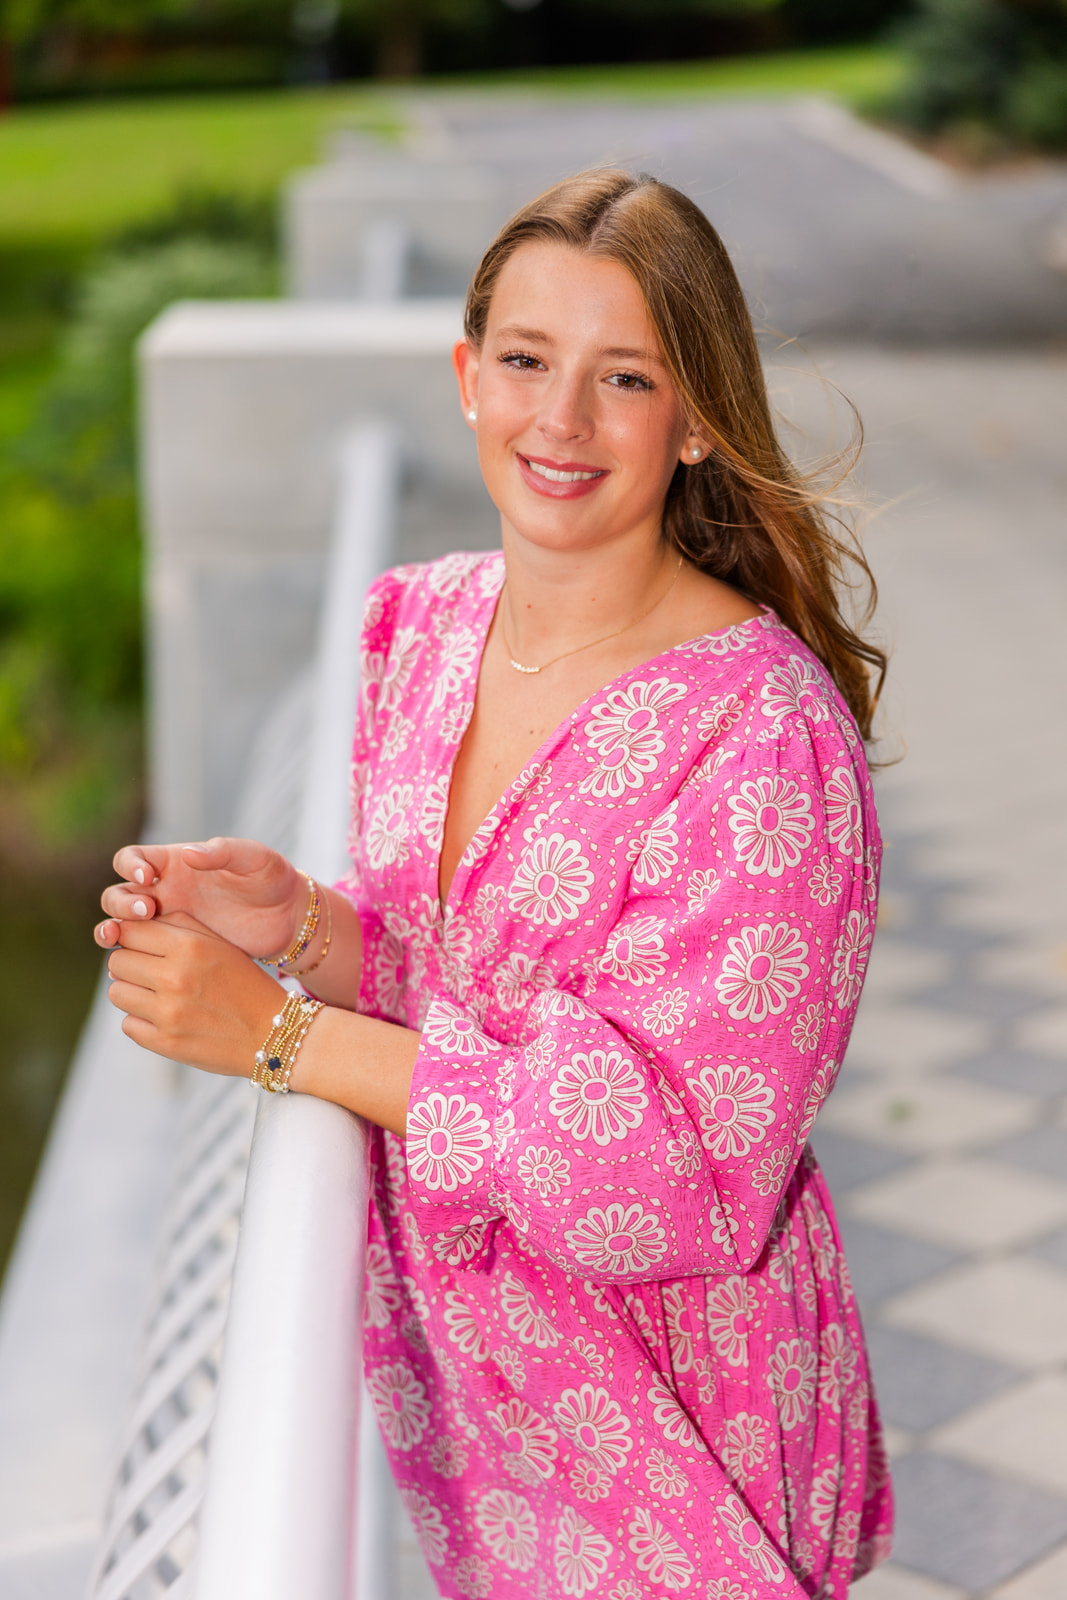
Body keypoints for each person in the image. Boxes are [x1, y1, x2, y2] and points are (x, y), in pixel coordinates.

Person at [97, 169, 892, 1599]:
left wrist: (280, 1038)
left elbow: (679, 1172)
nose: (562, 420)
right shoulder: (429, 623)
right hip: (484, 1422)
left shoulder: (761, 738)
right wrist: (307, 928)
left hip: (681, 1430)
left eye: (626, 377)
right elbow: (481, 987)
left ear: (697, 418)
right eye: (526, 361)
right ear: (468, 377)